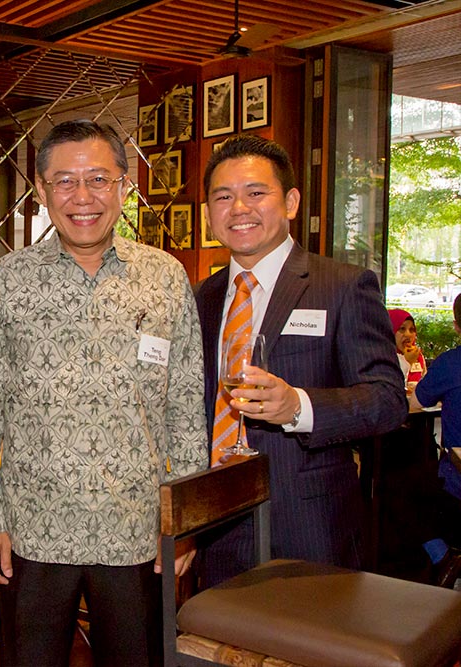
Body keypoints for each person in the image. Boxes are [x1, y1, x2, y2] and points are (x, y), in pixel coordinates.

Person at [0, 119, 206, 666]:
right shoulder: (7, 281)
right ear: (42, 190)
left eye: (98, 179)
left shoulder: (165, 277)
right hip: (32, 529)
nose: (83, 197)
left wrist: (184, 523)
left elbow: (186, 408)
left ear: (123, 186)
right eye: (65, 181)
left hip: (137, 531)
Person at [194, 134, 407, 586]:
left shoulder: (342, 286)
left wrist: (299, 407)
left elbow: (388, 400)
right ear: (209, 213)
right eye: (223, 197)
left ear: (290, 202)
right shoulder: (201, 298)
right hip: (216, 528)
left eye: (256, 192)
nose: (239, 208)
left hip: (310, 528)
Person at [415, 293, 461, 588]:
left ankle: (446, 560)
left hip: (456, 484)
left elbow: (416, 401)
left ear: (456, 326)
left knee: (404, 492)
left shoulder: (450, 364)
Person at [388, 308, 427, 384]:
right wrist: (408, 362)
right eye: (402, 329)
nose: (408, 334)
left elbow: (425, 385)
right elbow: (393, 385)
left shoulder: (417, 356)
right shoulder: (383, 357)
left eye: (412, 329)